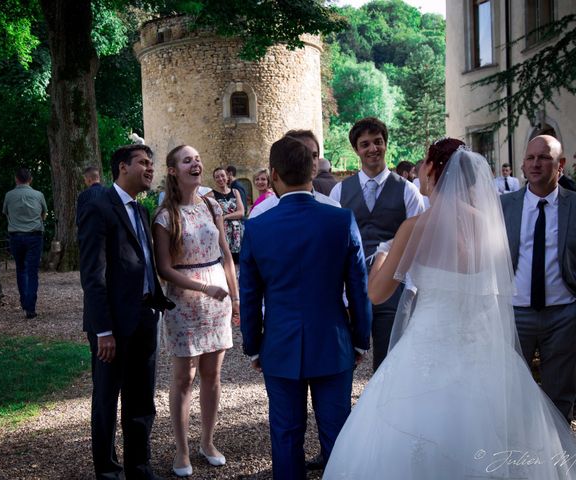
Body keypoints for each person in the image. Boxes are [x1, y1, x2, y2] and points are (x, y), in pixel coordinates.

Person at [324, 138, 576, 479]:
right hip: (482, 348)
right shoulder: (489, 225)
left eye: (425, 164)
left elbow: (378, 293)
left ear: (432, 169)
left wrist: (381, 256)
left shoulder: (416, 227)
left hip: (426, 349)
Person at [240, 135, 372, 480]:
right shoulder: (341, 221)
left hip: (280, 345)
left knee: (285, 435)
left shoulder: (256, 228)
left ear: (273, 174)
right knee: (338, 434)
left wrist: (254, 346)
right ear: (311, 169)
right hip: (333, 341)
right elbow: (358, 287)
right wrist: (360, 339)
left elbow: (251, 296)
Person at [78, 144, 173, 480]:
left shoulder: (142, 212)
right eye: (143, 163)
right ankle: (106, 470)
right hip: (113, 325)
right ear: (122, 167)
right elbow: (93, 272)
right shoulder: (99, 205)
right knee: (106, 398)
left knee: (142, 400)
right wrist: (102, 329)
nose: (150, 169)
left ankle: (139, 466)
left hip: (146, 318)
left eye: (151, 163)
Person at [153, 145, 239, 478]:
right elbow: (163, 268)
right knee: (183, 378)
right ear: (173, 170)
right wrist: (204, 287)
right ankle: (182, 449)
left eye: (198, 158)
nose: (196, 163)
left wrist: (235, 296)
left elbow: (227, 255)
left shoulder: (212, 205)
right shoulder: (165, 215)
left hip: (218, 300)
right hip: (184, 303)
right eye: (187, 160)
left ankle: (207, 441)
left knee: (212, 376)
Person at [329, 117, 424, 370]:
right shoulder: (339, 192)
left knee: (389, 363)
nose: (373, 149)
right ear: (356, 149)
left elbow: (417, 245)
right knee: (344, 359)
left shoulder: (407, 191)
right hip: (353, 287)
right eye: (365, 144)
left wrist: (412, 293)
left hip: (394, 287)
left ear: (385, 144)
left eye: (378, 142)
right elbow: (334, 245)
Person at [501, 134, 576, 422]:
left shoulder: (573, 205)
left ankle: (558, 463)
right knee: (511, 393)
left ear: (561, 165)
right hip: (514, 313)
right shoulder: (504, 206)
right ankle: (516, 460)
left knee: (560, 395)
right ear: (522, 164)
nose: (536, 164)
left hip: (564, 314)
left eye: (544, 157)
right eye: (530, 157)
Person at [249, 130, 340, 219]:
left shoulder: (334, 209)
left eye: (314, 155)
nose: (310, 161)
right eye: (301, 155)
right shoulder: (261, 212)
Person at [2, 167, 47, 319]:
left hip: (16, 236)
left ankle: (24, 302)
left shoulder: (9, 195)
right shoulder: (38, 195)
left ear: (16, 179)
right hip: (34, 236)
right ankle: (31, 306)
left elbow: (6, 213)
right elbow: (44, 214)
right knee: (32, 271)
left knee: (20, 269)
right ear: (30, 179)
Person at [206, 167, 245, 265]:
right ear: (214, 180)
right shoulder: (211, 195)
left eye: (222, 176)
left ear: (227, 177)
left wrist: (224, 217)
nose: (220, 179)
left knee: (240, 260)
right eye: (217, 177)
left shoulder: (235, 192)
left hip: (238, 232)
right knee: (226, 260)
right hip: (223, 232)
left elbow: (241, 212)